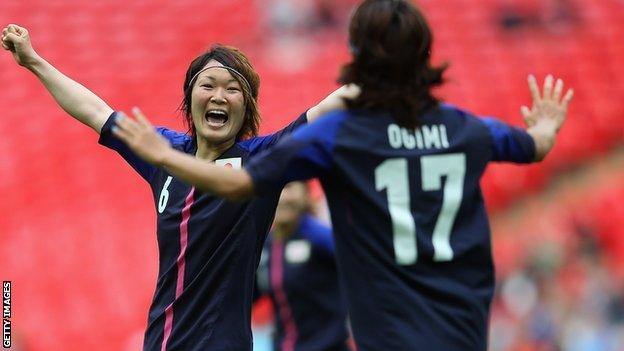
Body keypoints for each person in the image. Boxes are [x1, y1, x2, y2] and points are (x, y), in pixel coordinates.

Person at [103, 0, 574, 349]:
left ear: (358, 60)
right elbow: (531, 147)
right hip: (463, 331)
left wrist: (162, 157)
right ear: (426, 58)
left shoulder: (337, 137)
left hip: (386, 331)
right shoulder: (463, 128)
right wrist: (546, 129)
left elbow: (238, 181)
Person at [1, 24, 356, 351]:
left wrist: (391, 69)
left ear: (246, 109)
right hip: (161, 342)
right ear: (190, 99)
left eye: (232, 89)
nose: (219, 95)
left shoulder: (262, 159)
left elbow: (328, 107)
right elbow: (95, 112)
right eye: (208, 85)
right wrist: (34, 61)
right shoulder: (163, 151)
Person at [255, 181, 351, 351]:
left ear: (306, 194)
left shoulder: (320, 236)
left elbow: (360, 273)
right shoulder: (265, 246)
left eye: (290, 188)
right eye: (279, 188)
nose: (284, 197)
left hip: (328, 346)